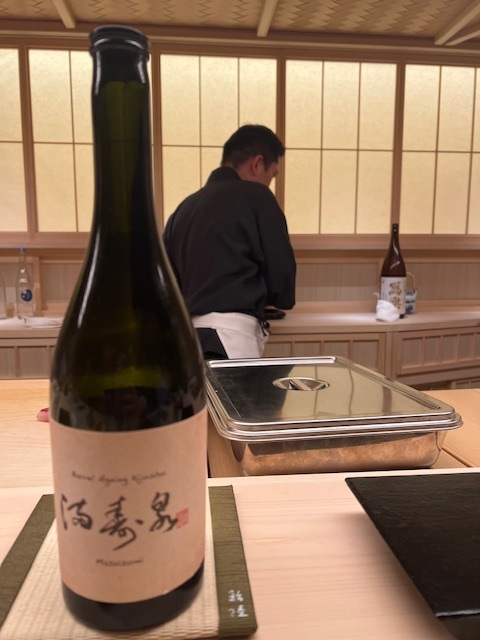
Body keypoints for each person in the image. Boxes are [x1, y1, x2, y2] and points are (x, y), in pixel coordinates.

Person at [163, 124, 296, 360]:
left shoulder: (183, 209)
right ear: (257, 164)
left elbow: (167, 284)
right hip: (233, 339)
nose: (270, 182)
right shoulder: (258, 197)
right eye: (272, 175)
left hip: (185, 341)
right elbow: (282, 286)